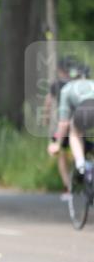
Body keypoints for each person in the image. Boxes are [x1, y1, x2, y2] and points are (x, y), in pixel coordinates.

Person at [47, 62, 94, 182]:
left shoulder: (67, 89)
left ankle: (81, 165)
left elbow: (64, 123)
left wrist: (57, 143)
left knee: (74, 131)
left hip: (83, 111)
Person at [46, 57, 78, 198]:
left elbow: (48, 102)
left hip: (63, 124)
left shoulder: (56, 84)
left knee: (60, 153)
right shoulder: (79, 83)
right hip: (82, 122)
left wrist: (45, 118)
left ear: (59, 70)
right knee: (81, 149)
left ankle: (67, 187)